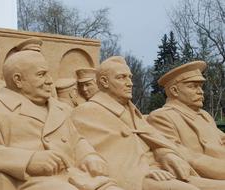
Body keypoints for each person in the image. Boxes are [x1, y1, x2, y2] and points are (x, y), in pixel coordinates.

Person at [0, 38, 123, 190]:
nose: (50, 81)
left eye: (48, 73)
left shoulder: (60, 109)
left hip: (77, 177)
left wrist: (89, 156)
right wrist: (29, 160)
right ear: (18, 80)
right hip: (35, 182)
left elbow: (76, 140)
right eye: (41, 75)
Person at [71, 56, 225, 190]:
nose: (130, 83)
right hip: (138, 177)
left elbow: (154, 140)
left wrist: (165, 153)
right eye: (121, 77)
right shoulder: (88, 112)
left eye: (130, 77)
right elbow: (105, 155)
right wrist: (145, 170)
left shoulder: (131, 111)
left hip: (163, 170)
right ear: (104, 82)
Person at [147, 61, 225, 180]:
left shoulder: (204, 115)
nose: (200, 91)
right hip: (203, 176)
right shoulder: (162, 117)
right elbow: (183, 156)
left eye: (200, 86)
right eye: (193, 86)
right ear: (174, 91)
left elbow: (221, 139)